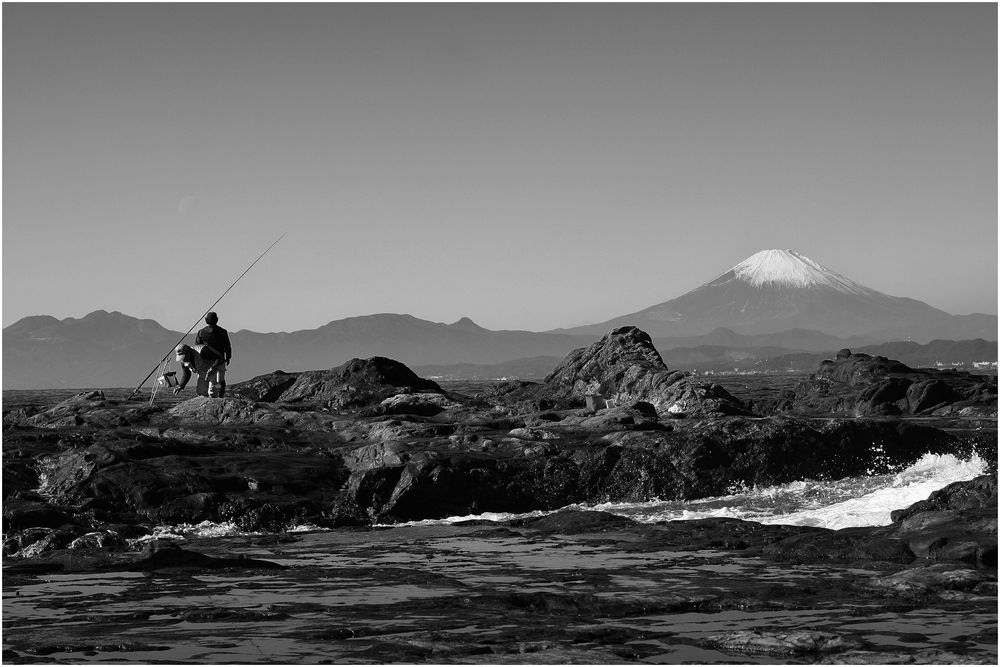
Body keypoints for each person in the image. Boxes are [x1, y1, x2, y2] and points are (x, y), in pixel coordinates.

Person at [195, 312, 233, 398]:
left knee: (202, 389)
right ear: (217, 320)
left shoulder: (201, 332)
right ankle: (220, 396)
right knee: (219, 382)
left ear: (206, 320)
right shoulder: (223, 332)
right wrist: (228, 357)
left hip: (204, 363)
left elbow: (197, 348)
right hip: (219, 362)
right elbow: (227, 346)